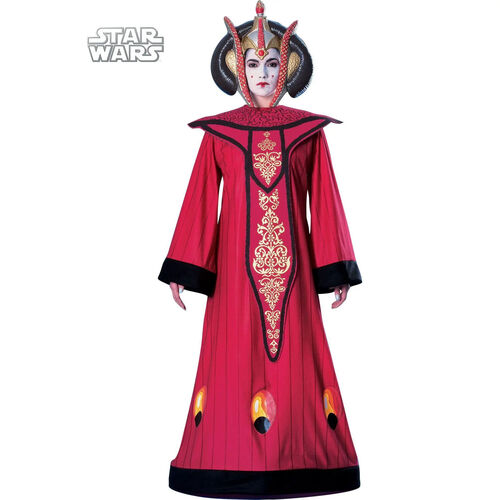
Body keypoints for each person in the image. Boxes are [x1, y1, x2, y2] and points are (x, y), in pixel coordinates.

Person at [158, 2, 363, 497]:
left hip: (295, 276)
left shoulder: (308, 133)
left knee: (298, 364)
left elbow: (325, 200)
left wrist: (335, 269)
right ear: (239, 70)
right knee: (230, 360)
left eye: (272, 63)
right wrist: (185, 266)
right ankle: (224, 461)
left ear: (287, 69)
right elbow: (201, 198)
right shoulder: (219, 134)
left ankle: (303, 461)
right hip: (232, 274)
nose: (263, 73)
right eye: (253, 63)